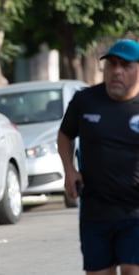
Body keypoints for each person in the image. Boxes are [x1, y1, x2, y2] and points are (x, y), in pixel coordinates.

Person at [58, 39, 139, 275]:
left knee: (132, 270)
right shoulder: (85, 101)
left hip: (135, 209)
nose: (116, 71)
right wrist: (69, 170)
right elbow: (65, 135)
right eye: (112, 64)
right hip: (96, 208)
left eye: (125, 65)